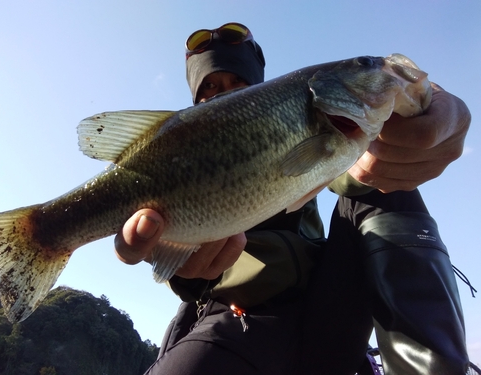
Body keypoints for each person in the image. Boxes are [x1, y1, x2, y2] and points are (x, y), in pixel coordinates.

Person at [115, 23, 471, 375]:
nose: (223, 93)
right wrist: (179, 266)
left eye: (238, 83)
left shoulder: (320, 124)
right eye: (209, 87)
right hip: (235, 316)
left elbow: (363, 168)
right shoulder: (170, 170)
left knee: (383, 183)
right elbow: (180, 264)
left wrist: (438, 108)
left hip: (331, 304)